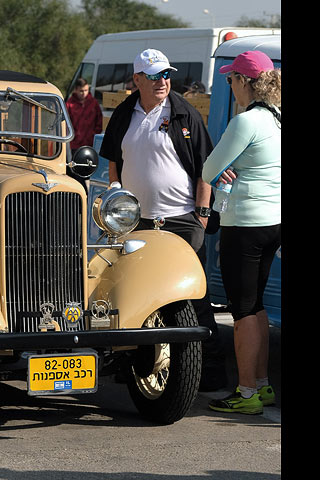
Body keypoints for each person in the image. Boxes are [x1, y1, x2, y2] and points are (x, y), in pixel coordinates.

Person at [99, 48, 227, 391]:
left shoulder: (185, 113)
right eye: (155, 76)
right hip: (136, 223)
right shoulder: (125, 113)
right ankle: (134, 369)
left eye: (167, 75)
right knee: (134, 295)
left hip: (182, 221)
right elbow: (113, 162)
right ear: (137, 79)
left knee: (193, 299)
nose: (163, 82)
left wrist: (201, 215)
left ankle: (210, 374)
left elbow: (206, 169)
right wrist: (117, 201)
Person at [204, 51, 281, 415]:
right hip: (273, 221)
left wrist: (224, 170)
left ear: (245, 82)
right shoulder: (277, 119)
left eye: (231, 79)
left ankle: (246, 392)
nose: (230, 86)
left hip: (246, 223)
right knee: (258, 305)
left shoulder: (245, 122)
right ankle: (262, 386)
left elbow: (208, 169)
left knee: (241, 311)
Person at [66, 77, 103, 153]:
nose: (84, 93)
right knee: (76, 164)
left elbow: (99, 120)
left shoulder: (93, 103)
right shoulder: (69, 104)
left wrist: (94, 135)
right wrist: (74, 136)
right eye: (81, 91)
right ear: (76, 90)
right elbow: (65, 124)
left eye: (86, 90)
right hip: (75, 144)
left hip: (91, 144)